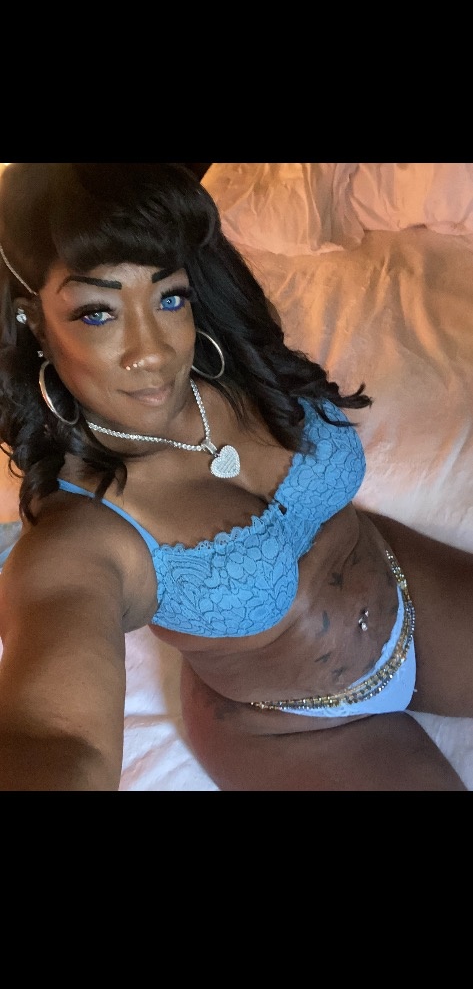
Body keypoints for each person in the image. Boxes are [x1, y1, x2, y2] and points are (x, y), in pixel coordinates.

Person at [0, 163, 471, 793]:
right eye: (97, 313)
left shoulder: (238, 361)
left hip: (407, 592)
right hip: (287, 726)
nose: (154, 351)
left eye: (169, 297)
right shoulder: (82, 535)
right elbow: (59, 740)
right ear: (35, 321)